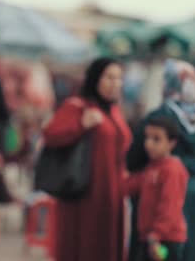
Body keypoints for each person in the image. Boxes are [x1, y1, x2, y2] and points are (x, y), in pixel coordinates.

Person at [43, 57, 132, 261]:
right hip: (84, 196)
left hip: (112, 195)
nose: (115, 83)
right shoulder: (77, 107)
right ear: (95, 78)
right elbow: (50, 134)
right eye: (109, 77)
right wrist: (81, 125)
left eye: (119, 78)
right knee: (85, 246)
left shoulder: (114, 110)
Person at [127, 59, 195, 261]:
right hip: (193, 189)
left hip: (160, 190)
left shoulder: (160, 115)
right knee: (188, 249)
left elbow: (133, 158)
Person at [123, 117, 188, 261]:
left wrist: (156, 234)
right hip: (151, 237)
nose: (149, 144)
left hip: (165, 239)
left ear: (171, 143)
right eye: (148, 138)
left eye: (156, 139)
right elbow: (131, 185)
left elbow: (170, 207)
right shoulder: (152, 167)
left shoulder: (172, 170)